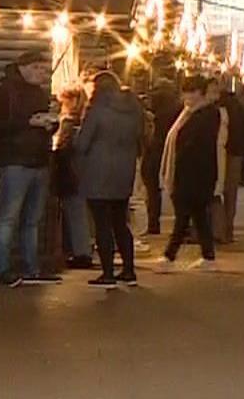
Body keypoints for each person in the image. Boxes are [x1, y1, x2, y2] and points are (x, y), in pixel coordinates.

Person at [0, 50, 61, 287]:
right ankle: (3, 269)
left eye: (46, 70)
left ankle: (32, 268)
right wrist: (28, 123)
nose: (43, 74)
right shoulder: (4, 92)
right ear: (24, 67)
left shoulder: (41, 94)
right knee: (9, 217)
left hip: (39, 162)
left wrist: (51, 125)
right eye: (39, 69)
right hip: (16, 162)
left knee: (32, 220)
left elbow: (42, 127)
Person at [76, 71, 145, 288]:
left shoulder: (97, 111)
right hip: (124, 173)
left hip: (98, 173)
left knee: (102, 224)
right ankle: (129, 270)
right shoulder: (134, 110)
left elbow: (82, 143)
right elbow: (142, 138)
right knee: (120, 222)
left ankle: (107, 273)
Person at [159, 75, 223, 269]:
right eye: (185, 92)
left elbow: (194, 144)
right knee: (197, 215)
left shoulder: (207, 114)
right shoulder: (187, 113)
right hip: (188, 173)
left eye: (191, 92)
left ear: (200, 93)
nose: (187, 96)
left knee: (184, 215)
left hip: (197, 173)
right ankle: (207, 256)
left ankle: (170, 256)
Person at [53, 85, 92, 271]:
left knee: (75, 214)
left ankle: (81, 254)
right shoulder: (86, 120)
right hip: (83, 173)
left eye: (64, 101)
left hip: (70, 174)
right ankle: (81, 251)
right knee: (79, 214)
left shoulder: (69, 122)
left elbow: (64, 148)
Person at [212, 79, 244, 243]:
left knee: (216, 192)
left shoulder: (218, 108)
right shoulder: (237, 106)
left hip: (222, 152)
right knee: (230, 193)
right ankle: (228, 230)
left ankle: (219, 231)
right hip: (236, 153)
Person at [142, 78, 182, 235]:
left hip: (154, 148)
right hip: (172, 148)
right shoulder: (177, 107)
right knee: (174, 187)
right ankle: (181, 222)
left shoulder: (152, 106)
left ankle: (153, 222)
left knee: (152, 188)